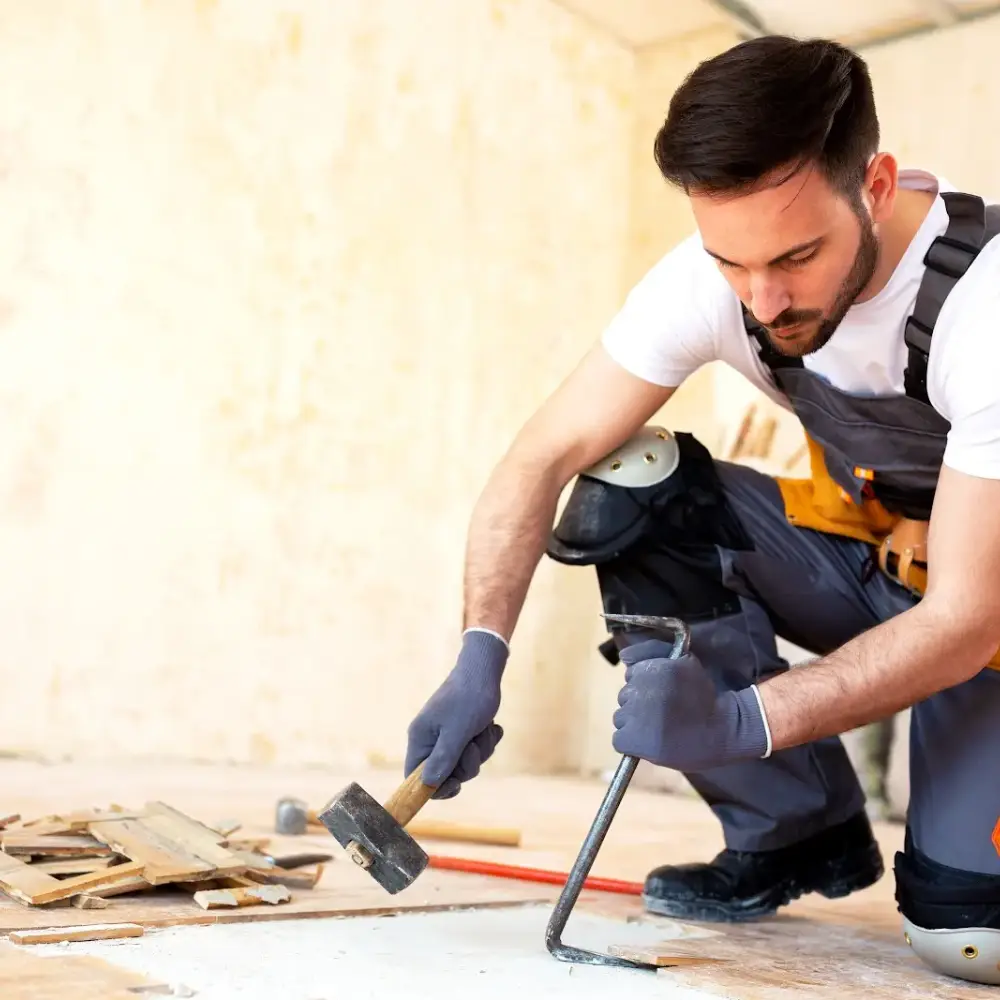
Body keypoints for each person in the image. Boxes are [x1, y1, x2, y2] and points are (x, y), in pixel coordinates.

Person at [402, 35, 1000, 985]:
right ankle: (795, 829)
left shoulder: (985, 305)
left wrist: (743, 720)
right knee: (623, 485)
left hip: (986, 621)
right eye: (732, 262)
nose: (763, 300)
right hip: (885, 568)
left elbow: (969, 622)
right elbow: (540, 455)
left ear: (876, 184)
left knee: (971, 943)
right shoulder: (721, 277)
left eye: (798, 256)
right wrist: (483, 651)